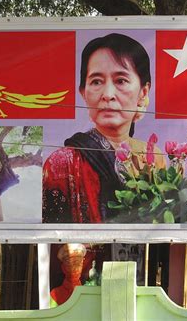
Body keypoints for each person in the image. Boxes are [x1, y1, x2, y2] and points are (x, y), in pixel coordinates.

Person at [43, 33, 165, 223]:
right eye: (97, 82)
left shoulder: (152, 156)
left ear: (143, 92)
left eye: (121, 80)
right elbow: (51, 237)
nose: (108, 95)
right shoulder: (63, 163)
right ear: (83, 92)